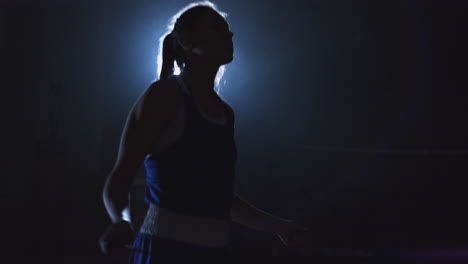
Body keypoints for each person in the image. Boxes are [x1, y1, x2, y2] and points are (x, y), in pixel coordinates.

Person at [99, 1, 311, 263]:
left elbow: (219, 198)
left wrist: (278, 226)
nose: (229, 35)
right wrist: (120, 221)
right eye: (217, 28)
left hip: (214, 252)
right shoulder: (163, 96)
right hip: (164, 251)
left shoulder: (225, 113)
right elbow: (120, 177)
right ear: (187, 41)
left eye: (229, 30)